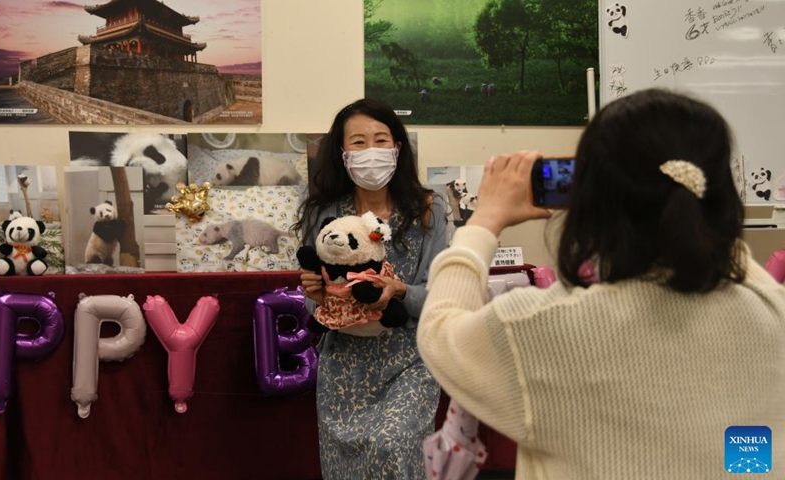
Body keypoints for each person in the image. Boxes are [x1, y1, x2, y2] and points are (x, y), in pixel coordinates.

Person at [417, 88, 785, 479]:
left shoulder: (540, 331)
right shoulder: (770, 310)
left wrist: (484, 220)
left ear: (591, 202)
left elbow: (440, 332)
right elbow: (733, 259)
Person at [295, 98, 447, 479]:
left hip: (410, 358)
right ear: (342, 152)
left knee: (394, 444)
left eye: (381, 140)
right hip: (344, 362)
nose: (371, 151)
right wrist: (316, 298)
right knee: (345, 466)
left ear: (397, 147)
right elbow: (317, 303)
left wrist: (398, 291)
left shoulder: (429, 208)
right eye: (358, 142)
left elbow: (442, 295)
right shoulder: (322, 212)